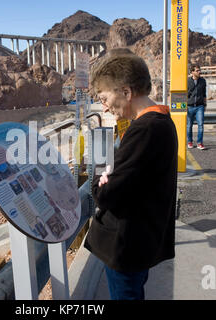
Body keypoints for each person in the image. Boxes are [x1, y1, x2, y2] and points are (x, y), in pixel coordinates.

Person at [84, 50, 178, 300]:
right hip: (142, 240)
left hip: (127, 245)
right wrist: (109, 173)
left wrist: (101, 174)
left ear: (126, 92)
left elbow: (105, 193)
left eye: (104, 98)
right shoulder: (162, 120)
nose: (104, 106)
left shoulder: (145, 130)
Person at [187, 64, 207, 150]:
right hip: (189, 106)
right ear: (192, 72)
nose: (199, 72)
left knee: (201, 125)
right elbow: (184, 94)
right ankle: (190, 142)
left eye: (199, 70)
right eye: (197, 71)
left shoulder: (203, 81)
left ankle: (199, 143)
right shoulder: (187, 81)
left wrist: (205, 104)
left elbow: (204, 93)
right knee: (189, 125)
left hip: (200, 106)